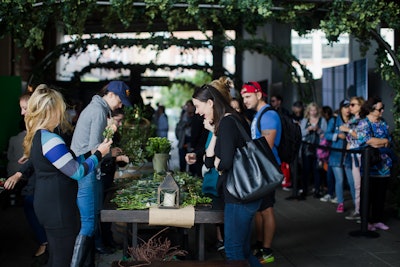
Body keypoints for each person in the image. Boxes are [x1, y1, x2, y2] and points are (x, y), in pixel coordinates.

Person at [20, 84, 111, 267]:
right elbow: (77, 172)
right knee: (62, 260)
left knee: (56, 257)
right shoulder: (51, 139)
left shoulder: (41, 136)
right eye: (61, 110)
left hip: (50, 205)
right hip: (58, 209)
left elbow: (69, 161)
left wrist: (91, 153)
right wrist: (99, 154)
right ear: (51, 110)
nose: (63, 114)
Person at [192, 84, 262, 266]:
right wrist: (213, 133)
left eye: (198, 106)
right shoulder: (228, 121)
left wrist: (218, 163)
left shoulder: (228, 123)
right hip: (242, 194)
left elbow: (225, 162)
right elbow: (209, 162)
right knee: (243, 250)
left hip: (239, 196)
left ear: (209, 103)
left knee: (233, 249)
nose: (198, 112)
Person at [70, 80, 131, 266]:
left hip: (87, 167)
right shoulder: (97, 111)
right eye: (120, 101)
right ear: (111, 94)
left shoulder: (98, 107)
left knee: (92, 220)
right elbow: (95, 150)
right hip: (86, 168)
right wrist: (113, 154)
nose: (121, 105)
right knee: (88, 224)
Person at [241, 81, 281, 264]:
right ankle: (259, 245)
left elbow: (267, 146)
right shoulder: (259, 115)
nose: (244, 100)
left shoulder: (269, 115)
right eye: (243, 97)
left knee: (266, 209)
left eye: (248, 96)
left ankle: (267, 251)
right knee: (258, 209)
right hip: (258, 169)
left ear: (259, 94)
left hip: (266, 170)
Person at [354, 96, 392, 230]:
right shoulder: (364, 123)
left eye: (383, 109)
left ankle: (377, 219)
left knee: (380, 194)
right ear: (371, 109)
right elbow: (367, 140)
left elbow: (389, 139)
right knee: (367, 193)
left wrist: (379, 141)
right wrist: (382, 141)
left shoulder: (383, 122)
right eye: (379, 109)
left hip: (385, 165)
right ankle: (366, 221)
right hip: (370, 165)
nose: (382, 112)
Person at [324, 100, 355, 213]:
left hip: (349, 155)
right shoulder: (333, 120)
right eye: (345, 107)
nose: (347, 109)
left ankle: (357, 206)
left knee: (352, 181)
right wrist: (337, 135)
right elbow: (326, 135)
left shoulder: (354, 120)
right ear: (341, 108)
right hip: (336, 154)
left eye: (349, 106)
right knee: (340, 180)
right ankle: (340, 203)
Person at [340, 96, 365, 220]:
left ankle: (361, 212)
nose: (350, 107)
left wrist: (348, 130)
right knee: (356, 185)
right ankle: (358, 210)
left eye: (353, 105)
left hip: (361, 155)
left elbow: (361, 137)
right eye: (350, 105)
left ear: (361, 106)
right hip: (353, 155)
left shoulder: (363, 120)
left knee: (361, 184)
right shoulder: (353, 119)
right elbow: (342, 128)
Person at [300, 102, 327, 199]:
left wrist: (318, 130)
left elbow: (325, 134)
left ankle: (317, 190)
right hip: (306, 148)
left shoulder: (322, 120)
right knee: (306, 170)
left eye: (315, 110)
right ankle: (304, 190)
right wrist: (308, 129)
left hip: (318, 148)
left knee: (317, 170)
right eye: (311, 110)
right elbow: (300, 133)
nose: (313, 112)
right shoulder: (305, 120)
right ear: (308, 111)